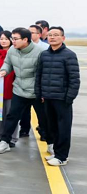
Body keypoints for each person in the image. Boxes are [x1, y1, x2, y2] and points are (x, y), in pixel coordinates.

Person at [0, 27, 48, 153]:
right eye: (12, 38)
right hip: (19, 88)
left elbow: (44, 73)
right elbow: (8, 63)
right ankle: (5, 141)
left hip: (35, 90)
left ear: (25, 40)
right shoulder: (12, 50)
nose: (12, 41)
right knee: (12, 116)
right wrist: (4, 71)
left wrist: (43, 92)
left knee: (44, 118)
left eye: (15, 39)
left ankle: (50, 143)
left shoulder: (40, 51)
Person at [36, 27, 80, 166]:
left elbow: (74, 79)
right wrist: (39, 93)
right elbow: (39, 75)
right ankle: (56, 153)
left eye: (56, 35)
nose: (52, 37)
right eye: (50, 35)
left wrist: (69, 97)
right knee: (52, 127)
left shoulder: (69, 55)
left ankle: (62, 157)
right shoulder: (44, 55)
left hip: (62, 99)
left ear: (63, 38)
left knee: (63, 128)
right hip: (47, 97)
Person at [0, 31, 19, 146]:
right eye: (1, 39)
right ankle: (0, 136)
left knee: (11, 114)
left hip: (12, 88)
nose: (3, 41)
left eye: (6, 39)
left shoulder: (16, 54)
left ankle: (12, 138)